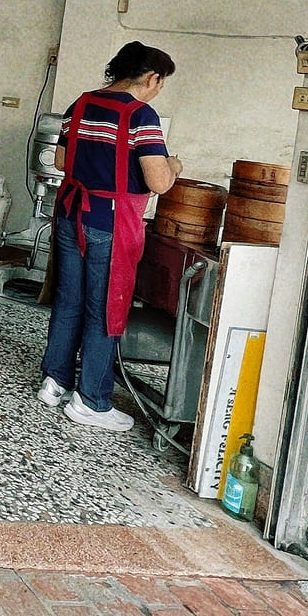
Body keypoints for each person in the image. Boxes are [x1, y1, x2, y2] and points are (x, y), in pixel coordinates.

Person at [39, 42, 184, 431]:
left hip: (71, 213)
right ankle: (91, 401)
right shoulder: (142, 115)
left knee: (69, 299)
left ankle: (55, 382)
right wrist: (173, 165)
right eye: (160, 83)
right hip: (112, 222)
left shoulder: (80, 104)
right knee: (106, 307)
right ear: (151, 77)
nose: (158, 90)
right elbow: (158, 182)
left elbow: (60, 161)